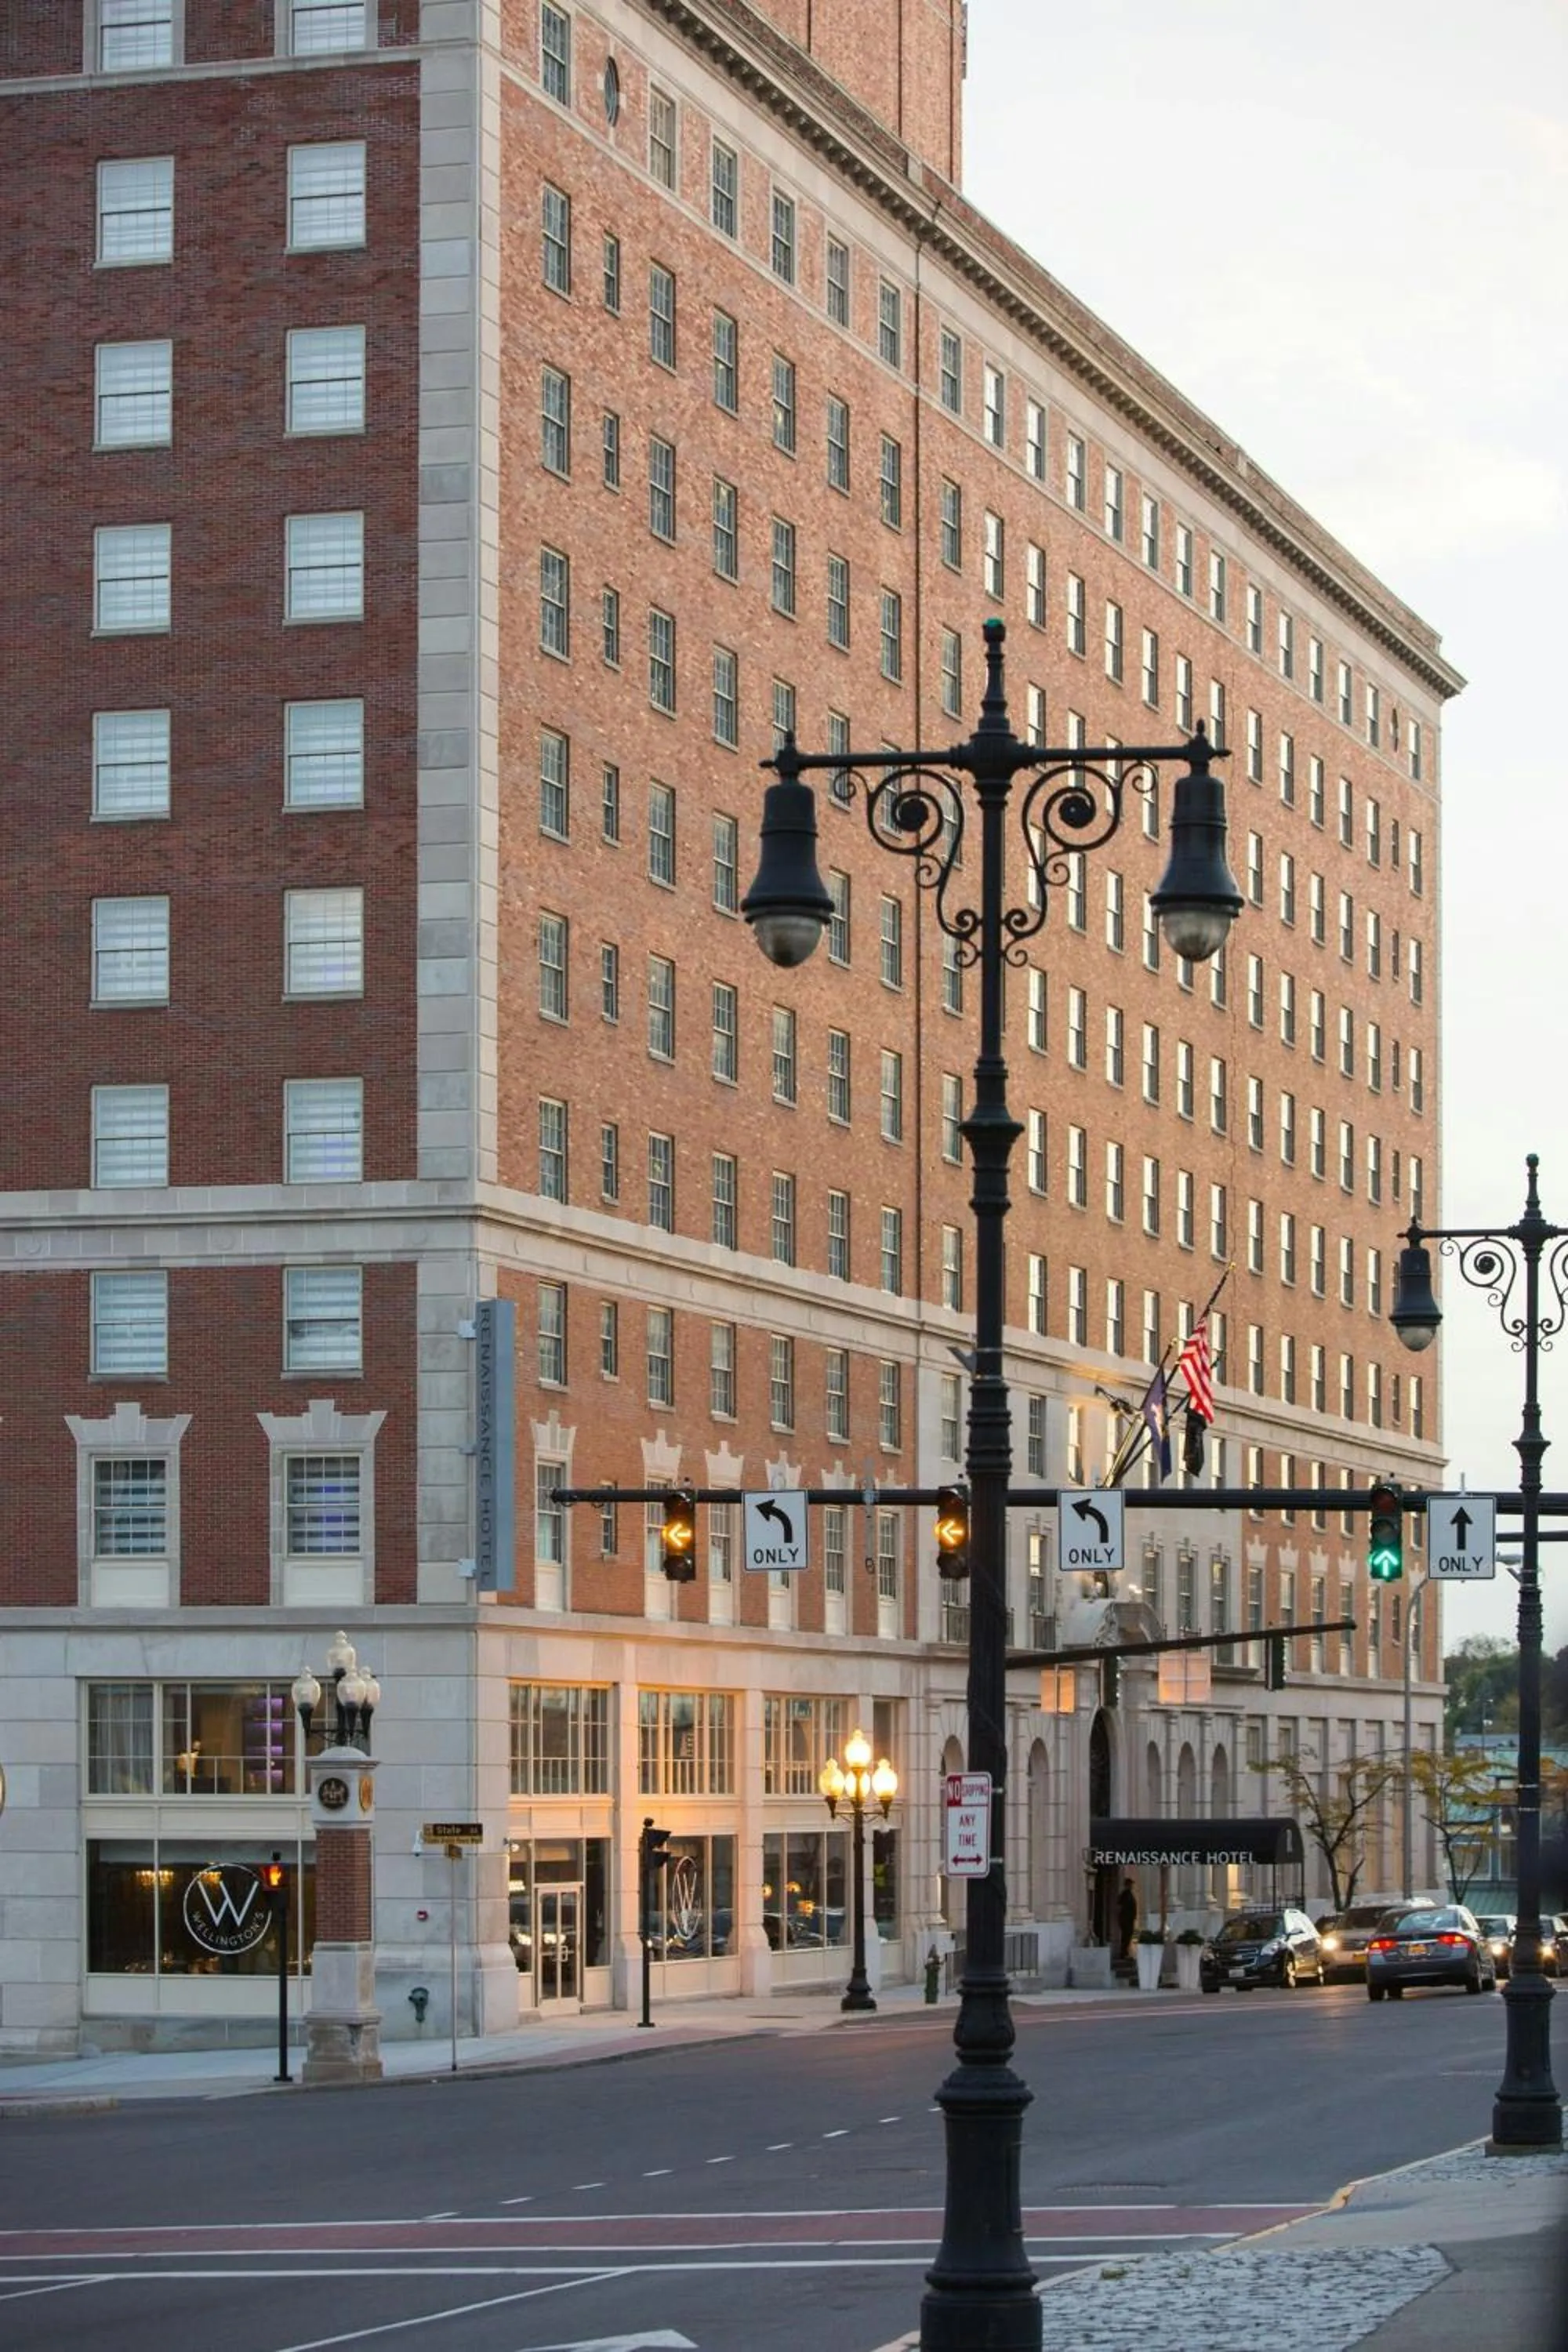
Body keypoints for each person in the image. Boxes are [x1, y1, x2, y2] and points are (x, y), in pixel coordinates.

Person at [1116, 1876, 1138, 1960]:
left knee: (1129, 1936)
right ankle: (1124, 1953)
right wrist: (1121, 1918)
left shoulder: (1129, 1894)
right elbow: (1119, 1906)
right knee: (1126, 1936)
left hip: (1130, 1919)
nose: (1132, 1886)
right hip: (1126, 1920)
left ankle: (1126, 1952)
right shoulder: (1125, 1894)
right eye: (1130, 1884)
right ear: (1127, 1885)